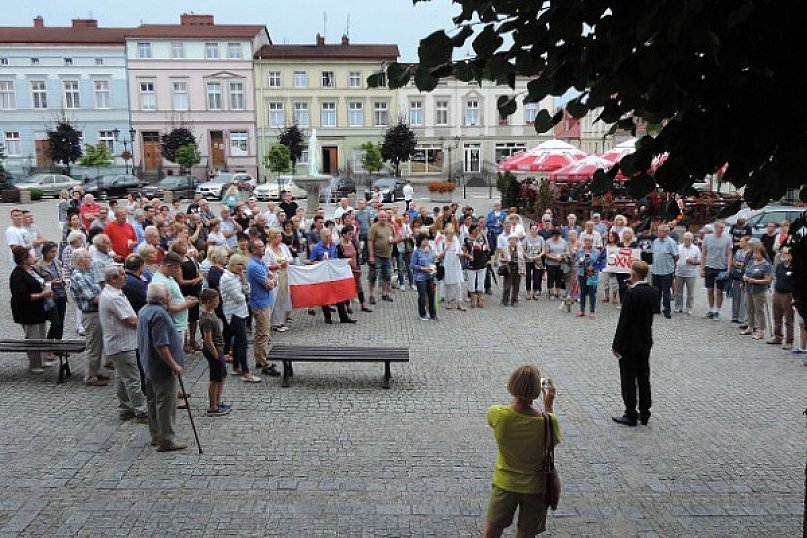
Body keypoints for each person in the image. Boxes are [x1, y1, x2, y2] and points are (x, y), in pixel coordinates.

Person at [483, 364, 559, 538]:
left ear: (511, 385)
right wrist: (548, 407)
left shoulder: (498, 414)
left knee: (492, 532)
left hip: (505, 484)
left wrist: (519, 396)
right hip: (536, 488)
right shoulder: (548, 422)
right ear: (537, 391)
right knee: (526, 534)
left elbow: (510, 412)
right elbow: (550, 444)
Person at [137, 282, 187, 452]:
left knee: (152, 401)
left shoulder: (144, 310)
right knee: (165, 403)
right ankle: (167, 440)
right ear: (162, 297)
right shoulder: (159, 315)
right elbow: (161, 344)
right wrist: (174, 364)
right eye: (168, 294)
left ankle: (156, 435)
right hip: (160, 367)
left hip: (148, 364)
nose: (170, 297)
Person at [612, 260, 660, 427]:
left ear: (633, 275)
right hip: (645, 340)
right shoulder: (654, 292)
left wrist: (616, 344)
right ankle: (645, 412)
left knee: (628, 379)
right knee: (644, 377)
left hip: (629, 343)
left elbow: (624, 322)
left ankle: (631, 413)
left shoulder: (631, 295)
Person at [99, 266, 147, 423]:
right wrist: (148, 322)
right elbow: (130, 320)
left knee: (122, 377)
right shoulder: (114, 297)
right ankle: (141, 411)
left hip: (119, 343)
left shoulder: (113, 293)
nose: (126, 277)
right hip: (122, 344)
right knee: (133, 378)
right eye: (122, 275)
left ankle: (125, 408)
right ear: (113, 279)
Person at [9, 245, 55, 373]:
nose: (33, 257)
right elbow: (23, 296)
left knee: (41, 334)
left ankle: (42, 359)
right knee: (33, 337)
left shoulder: (32, 270)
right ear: (24, 259)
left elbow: (41, 281)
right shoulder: (17, 275)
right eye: (30, 256)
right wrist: (42, 294)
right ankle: (34, 364)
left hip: (39, 308)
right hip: (27, 310)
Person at [69, 248, 108, 386]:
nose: (91, 260)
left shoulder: (87, 273)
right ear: (80, 261)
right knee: (93, 346)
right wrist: (110, 297)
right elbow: (93, 298)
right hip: (91, 315)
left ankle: (96, 371)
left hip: (96, 313)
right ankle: (90, 377)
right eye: (88, 258)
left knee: (98, 345)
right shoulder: (79, 276)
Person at [220, 254, 261, 382]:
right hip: (233, 314)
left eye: (243, 265)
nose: (242, 267)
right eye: (239, 265)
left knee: (238, 342)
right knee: (243, 343)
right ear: (233, 264)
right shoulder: (227, 278)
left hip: (240, 312)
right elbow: (239, 297)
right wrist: (244, 296)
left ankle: (236, 366)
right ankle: (246, 372)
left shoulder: (237, 276)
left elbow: (248, 291)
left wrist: (243, 280)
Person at [246, 239, 281, 373]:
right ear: (253, 250)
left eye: (263, 246)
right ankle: (264, 363)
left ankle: (260, 359)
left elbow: (270, 277)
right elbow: (269, 284)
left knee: (260, 333)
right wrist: (273, 279)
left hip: (265, 301)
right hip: (260, 303)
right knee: (263, 334)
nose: (264, 249)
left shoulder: (260, 262)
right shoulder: (254, 266)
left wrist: (272, 279)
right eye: (260, 247)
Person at [151, 252, 197, 346]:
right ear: (168, 265)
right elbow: (166, 308)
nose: (178, 271)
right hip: (174, 326)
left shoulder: (169, 277)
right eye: (176, 267)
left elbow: (173, 298)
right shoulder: (161, 282)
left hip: (178, 325)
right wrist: (186, 304)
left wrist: (184, 299)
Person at [198, 288, 230, 417]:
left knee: (221, 376)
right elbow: (207, 339)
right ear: (208, 302)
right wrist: (216, 354)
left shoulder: (212, 313)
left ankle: (217, 401)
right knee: (215, 378)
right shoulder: (207, 319)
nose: (218, 302)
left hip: (219, 349)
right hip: (213, 351)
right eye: (216, 300)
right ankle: (212, 406)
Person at [34, 241, 67, 344]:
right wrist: (51, 283)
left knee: (61, 322)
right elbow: (37, 283)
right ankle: (48, 345)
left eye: (55, 252)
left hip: (61, 294)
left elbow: (62, 274)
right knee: (55, 322)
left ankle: (58, 344)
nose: (54, 254)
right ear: (45, 252)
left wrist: (64, 281)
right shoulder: (38, 266)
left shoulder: (57, 262)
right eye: (52, 252)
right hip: (50, 297)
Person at [337, 225, 372, 315]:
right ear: (344, 235)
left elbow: (356, 254)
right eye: (349, 234)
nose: (351, 236)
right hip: (347, 270)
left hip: (356, 268)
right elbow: (340, 260)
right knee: (347, 287)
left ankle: (363, 304)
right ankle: (348, 306)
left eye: (352, 234)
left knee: (359, 286)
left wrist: (358, 265)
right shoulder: (340, 246)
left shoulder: (352, 242)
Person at [740, 243, 773, 340]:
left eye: (757, 253)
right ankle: (750, 327)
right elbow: (745, 273)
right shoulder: (751, 262)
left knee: (759, 310)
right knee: (749, 308)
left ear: (762, 254)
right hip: (748, 289)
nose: (755, 255)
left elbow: (768, 280)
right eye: (754, 253)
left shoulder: (766, 265)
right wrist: (745, 278)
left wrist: (756, 281)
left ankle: (761, 330)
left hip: (759, 291)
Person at [701, 222, 733, 320]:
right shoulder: (707, 238)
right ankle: (711, 309)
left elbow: (729, 254)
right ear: (715, 228)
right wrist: (702, 268)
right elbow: (703, 253)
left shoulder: (727, 239)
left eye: (723, 228)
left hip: (721, 267)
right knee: (710, 290)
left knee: (719, 291)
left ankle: (717, 310)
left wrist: (728, 268)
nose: (722, 229)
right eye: (720, 227)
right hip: (709, 266)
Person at [265, 229, 294, 331]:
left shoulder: (282, 248)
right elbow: (266, 266)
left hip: (284, 275)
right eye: (278, 237)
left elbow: (290, 258)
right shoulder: (268, 250)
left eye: (280, 236)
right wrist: (279, 265)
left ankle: (281, 321)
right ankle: (275, 323)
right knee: (276, 299)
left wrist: (285, 262)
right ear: (273, 238)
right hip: (275, 276)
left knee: (283, 298)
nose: (280, 239)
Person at [649, 224, 679, 319]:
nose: (658, 232)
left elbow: (676, 256)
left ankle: (667, 309)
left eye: (660, 231)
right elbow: (653, 253)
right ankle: (656, 307)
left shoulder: (671, 242)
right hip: (656, 270)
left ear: (666, 232)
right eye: (658, 231)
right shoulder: (656, 241)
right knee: (656, 291)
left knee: (666, 291)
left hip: (666, 271)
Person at [769, 247, 795, 350]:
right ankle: (778, 336)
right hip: (778, 293)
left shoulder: (794, 268)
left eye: (786, 253)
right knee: (777, 317)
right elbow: (776, 278)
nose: (783, 255)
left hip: (788, 295)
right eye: (782, 253)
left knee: (788, 320)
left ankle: (789, 341)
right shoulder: (779, 266)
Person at [367, 210, 395, 304]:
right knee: (373, 276)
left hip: (387, 255)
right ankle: (371, 295)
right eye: (381, 216)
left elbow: (393, 238)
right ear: (378, 217)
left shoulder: (390, 227)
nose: (383, 218)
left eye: (384, 216)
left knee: (386, 276)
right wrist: (371, 256)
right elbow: (370, 241)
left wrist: (393, 241)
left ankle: (384, 293)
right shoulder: (374, 227)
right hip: (376, 255)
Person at [436, 226, 465, 311]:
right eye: (450, 234)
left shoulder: (456, 240)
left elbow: (459, 250)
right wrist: (446, 249)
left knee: (458, 284)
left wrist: (460, 253)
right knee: (447, 284)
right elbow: (439, 255)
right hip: (447, 263)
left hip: (455, 263)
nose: (451, 236)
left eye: (453, 234)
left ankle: (459, 302)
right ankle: (449, 302)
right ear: (446, 234)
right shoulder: (443, 241)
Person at [575, 235, 605, 318]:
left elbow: (599, 263)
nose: (587, 242)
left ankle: (592, 311)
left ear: (592, 242)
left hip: (592, 274)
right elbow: (576, 263)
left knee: (592, 293)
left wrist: (591, 260)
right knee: (582, 293)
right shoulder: (580, 251)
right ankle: (582, 310)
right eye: (586, 241)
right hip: (582, 273)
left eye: (589, 241)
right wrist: (580, 262)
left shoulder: (596, 252)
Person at [410, 233, 437, 321]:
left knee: (431, 296)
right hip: (420, 277)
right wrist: (423, 268)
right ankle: (422, 313)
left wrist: (433, 267)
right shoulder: (416, 252)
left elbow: (433, 261)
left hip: (430, 276)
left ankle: (433, 314)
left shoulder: (430, 250)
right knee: (422, 296)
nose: (426, 241)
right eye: (424, 240)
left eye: (427, 240)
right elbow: (412, 265)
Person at [674, 232, 701, 315]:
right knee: (678, 292)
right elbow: (674, 258)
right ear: (683, 239)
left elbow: (700, 261)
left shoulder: (696, 249)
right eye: (686, 239)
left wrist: (693, 261)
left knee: (690, 293)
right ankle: (678, 307)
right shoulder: (678, 247)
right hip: (679, 272)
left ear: (692, 240)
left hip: (691, 273)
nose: (687, 240)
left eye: (689, 239)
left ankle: (689, 308)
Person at [463, 224, 489, 308]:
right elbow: (464, 251)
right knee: (471, 283)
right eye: (476, 230)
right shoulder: (467, 239)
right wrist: (468, 256)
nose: (478, 232)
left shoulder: (481, 238)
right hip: (472, 264)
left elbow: (486, 247)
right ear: (472, 230)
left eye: (479, 230)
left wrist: (483, 248)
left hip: (481, 263)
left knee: (481, 283)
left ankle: (480, 297)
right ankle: (473, 298)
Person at [499, 234, 526, 307]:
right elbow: (500, 259)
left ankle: (515, 301)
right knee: (507, 286)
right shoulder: (504, 248)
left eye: (515, 240)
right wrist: (506, 259)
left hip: (518, 268)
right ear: (509, 240)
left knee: (516, 286)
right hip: (508, 269)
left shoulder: (520, 248)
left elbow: (523, 257)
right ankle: (505, 300)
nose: (513, 241)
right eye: (512, 239)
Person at [730, 236, 751, 324]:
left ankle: (741, 317)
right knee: (735, 297)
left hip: (744, 277)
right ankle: (734, 316)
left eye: (742, 241)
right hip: (736, 276)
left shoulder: (749, 253)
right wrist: (738, 264)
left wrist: (740, 264)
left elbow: (747, 265)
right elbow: (733, 261)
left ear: (746, 243)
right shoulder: (738, 252)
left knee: (743, 298)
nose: (740, 243)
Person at [543, 228, 566, 301]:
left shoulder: (563, 241)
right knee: (551, 277)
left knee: (559, 278)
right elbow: (546, 253)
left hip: (560, 262)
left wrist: (562, 257)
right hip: (550, 263)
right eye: (555, 236)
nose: (556, 237)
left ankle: (558, 292)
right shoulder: (548, 241)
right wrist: (554, 258)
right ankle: (551, 292)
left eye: (558, 236)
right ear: (552, 235)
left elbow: (566, 251)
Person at [523, 224, 545, 300]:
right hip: (528, 260)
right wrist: (527, 256)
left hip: (537, 260)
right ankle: (528, 291)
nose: (534, 230)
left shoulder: (541, 239)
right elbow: (523, 249)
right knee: (528, 276)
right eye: (533, 229)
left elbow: (543, 250)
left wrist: (539, 256)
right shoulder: (526, 239)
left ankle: (535, 291)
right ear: (530, 230)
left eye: (536, 229)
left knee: (537, 276)